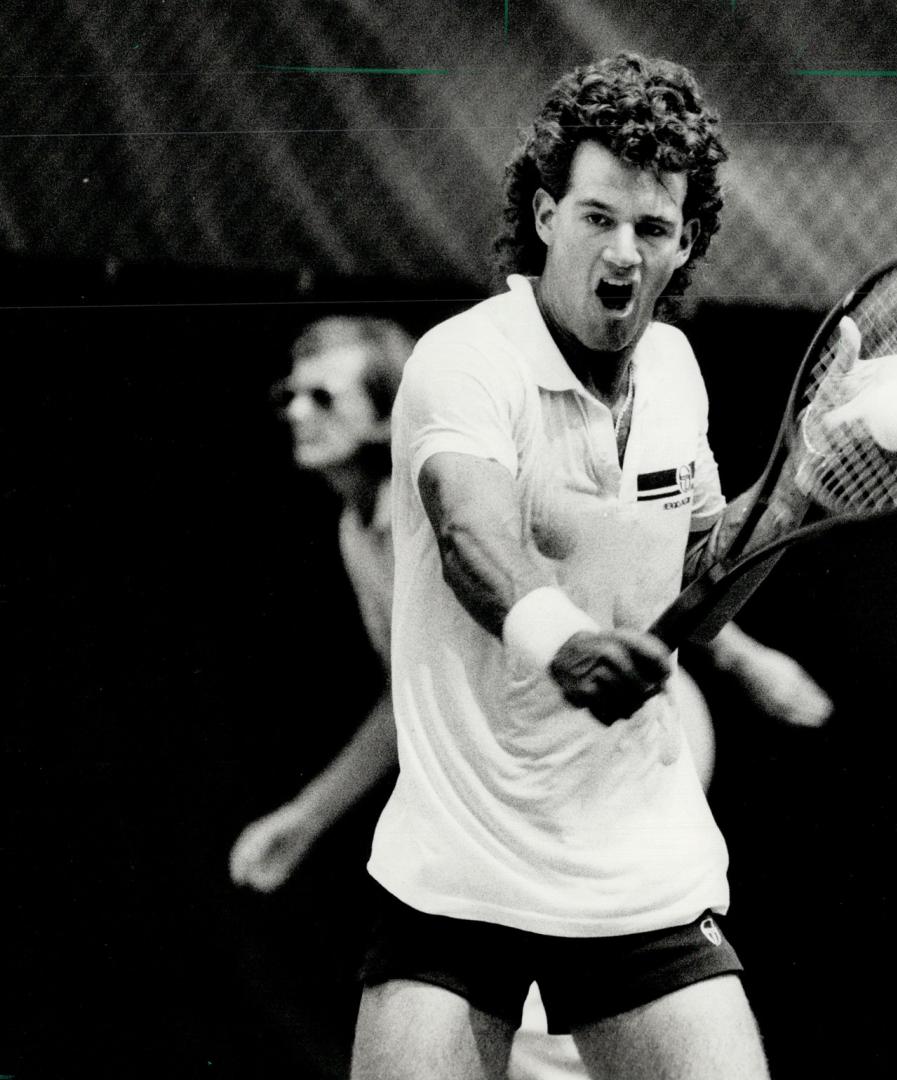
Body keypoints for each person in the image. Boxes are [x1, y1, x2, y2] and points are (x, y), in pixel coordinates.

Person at [350, 52, 833, 1079]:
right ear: (542, 215)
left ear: (685, 244)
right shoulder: (466, 361)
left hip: (633, 866)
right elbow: (473, 537)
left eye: (652, 228)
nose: (622, 251)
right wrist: (562, 642)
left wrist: (798, 485)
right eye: (596, 217)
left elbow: (699, 592)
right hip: (463, 866)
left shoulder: (673, 370)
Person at [230, 310, 832, 1077]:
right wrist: (307, 816)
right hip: (515, 760)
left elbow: (631, 578)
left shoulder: (471, 471)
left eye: (323, 396)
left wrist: (746, 660)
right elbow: (408, 699)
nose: (295, 411)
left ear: (386, 411)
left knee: (555, 1018)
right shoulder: (360, 530)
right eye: (290, 392)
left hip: (636, 728)